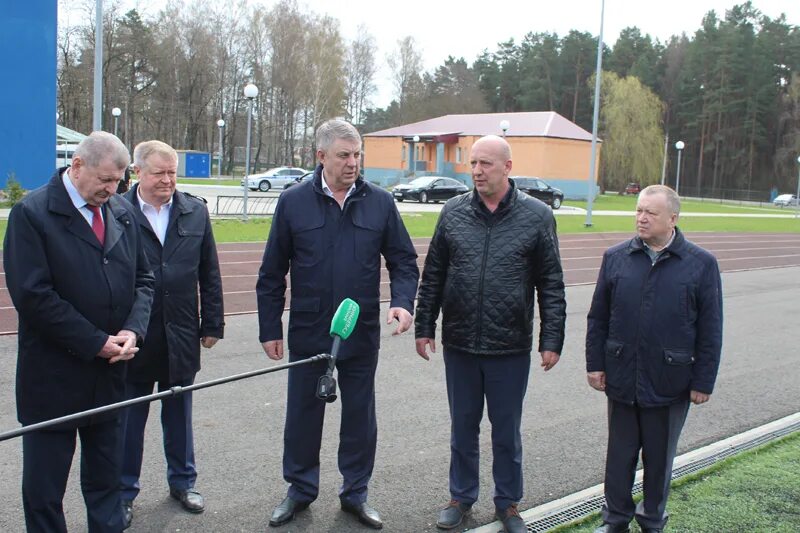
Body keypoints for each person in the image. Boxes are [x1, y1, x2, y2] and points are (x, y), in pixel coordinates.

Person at [256, 119, 419, 529]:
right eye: (344, 155)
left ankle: (355, 494)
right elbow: (271, 272)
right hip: (310, 331)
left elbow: (403, 261)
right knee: (302, 416)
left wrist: (402, 303)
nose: (353, 163)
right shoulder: (293, 202)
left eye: (357, 154)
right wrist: (270, 328)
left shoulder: (381, 203)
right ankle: (299, 490)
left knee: (360, 418)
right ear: (321, 156)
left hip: (360, 332)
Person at [3, 131, 154, 532]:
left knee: (107, 485)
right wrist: (95, 342)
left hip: (110, 378)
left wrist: (132, 331)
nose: (112, 189)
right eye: (105, 179)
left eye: (118, 181)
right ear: (77, 166)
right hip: (53, 381)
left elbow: (144, 279)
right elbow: (34, 298)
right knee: (44, 490)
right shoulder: (32, 215)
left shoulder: (121, 212)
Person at [415, 135, 566, 533]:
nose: (477, 171)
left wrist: (552, 339)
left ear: (507, 168)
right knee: (462, 426)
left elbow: (551, 283)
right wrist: (424, 325)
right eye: (473, 164)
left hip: (509, 346)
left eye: (485, 164)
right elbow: (434, 274)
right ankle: (460, 498)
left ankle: (508, 503)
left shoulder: (537, 216)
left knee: (506, 430)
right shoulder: (453, 212)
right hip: (461, 342)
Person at [585, 185, 723, 533]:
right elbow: (598, 317)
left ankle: (651, 520)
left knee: (659, 461)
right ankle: (615, 520)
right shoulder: (616, 258)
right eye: (638, 211)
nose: (641, 218)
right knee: (619, 458)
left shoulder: (701, 264)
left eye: (651, 213)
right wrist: (595, 363)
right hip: (622, 375)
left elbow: (711, 328)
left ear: (672, 218)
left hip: (670, 380)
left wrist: (703, 381)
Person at [120, 140, 224, 527]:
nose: (167, 180)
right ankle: (123, 491)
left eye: (172, 173)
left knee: (179, 412)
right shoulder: (118, 211)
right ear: (137, 173)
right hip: (134, 335)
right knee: (130, 419)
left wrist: (213, 323)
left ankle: (183, 482)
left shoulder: (194, 210)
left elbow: (208, 271)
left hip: (181, 330)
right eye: (159, 173)